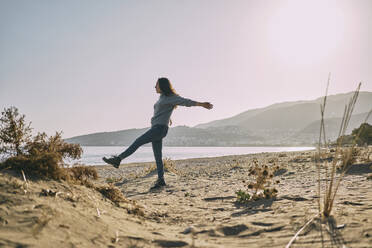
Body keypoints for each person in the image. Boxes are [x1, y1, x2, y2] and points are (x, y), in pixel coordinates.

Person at [103, 77, 213, 190]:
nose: (155, 87)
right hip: (157, 128)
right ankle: (161, 180)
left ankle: (118, 159)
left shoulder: (171, 97)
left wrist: (201, 104)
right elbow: (164, 109)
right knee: (158, 156)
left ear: (162, 86)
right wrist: (168, 117)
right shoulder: (162, 97)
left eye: (156, 85)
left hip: (159, 129)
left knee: (137, 142)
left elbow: (185, 102)